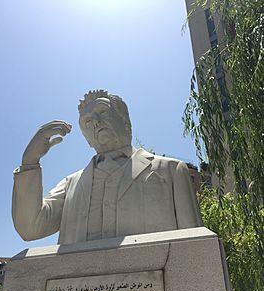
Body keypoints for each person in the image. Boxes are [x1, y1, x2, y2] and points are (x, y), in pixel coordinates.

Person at [12, 90, 202, 245]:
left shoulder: (171, 172)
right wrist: (30, 161)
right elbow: (30, 228)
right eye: (87, 122)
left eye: (102, 112)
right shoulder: (71, 185)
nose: (95, 122)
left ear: (125, 120)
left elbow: (194, 247)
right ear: (87, 139)